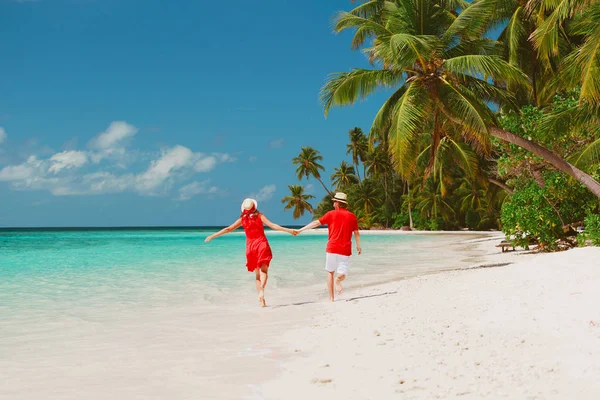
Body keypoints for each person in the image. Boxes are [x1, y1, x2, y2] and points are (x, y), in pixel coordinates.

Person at [204, 198, 296, 307]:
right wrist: (289, 230)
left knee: (257, 275)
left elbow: (228, 229)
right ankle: (262, 290)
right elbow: (273, 226)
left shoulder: (242, 219)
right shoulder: (260, 216)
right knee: (264, 271)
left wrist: (213, 236)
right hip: (261, 244)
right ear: (255, 207)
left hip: (250, 247)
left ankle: (262, 301)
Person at [296, 192, 361, 302]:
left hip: (332, 248)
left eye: (334, 202)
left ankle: (331, 298)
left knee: (330, 272)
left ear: (337, 203)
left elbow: (316, 223)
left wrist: (300, 230)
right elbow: (356, 233)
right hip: (345, 250)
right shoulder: (352, 216)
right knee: (343, 273)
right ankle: (338, 280)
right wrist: (358, 246)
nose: (333, 204)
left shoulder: (331, 214)